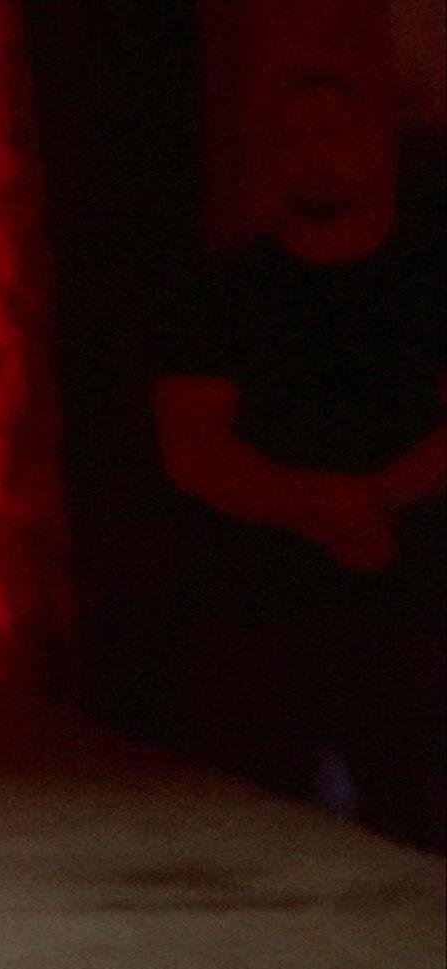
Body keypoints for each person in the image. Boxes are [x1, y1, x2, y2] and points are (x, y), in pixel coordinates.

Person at [155, 72, 446, 853]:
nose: (312, 155)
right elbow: (191, 444)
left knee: (414, 815)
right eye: (291, 139)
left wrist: (377, 499)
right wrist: (316, 508)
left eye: (332, 133)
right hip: (260, 600)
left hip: (412, 592)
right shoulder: (227, 293)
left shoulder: (428, 279)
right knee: (256, 823)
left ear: (374, 146)